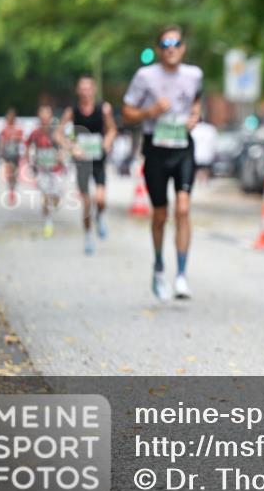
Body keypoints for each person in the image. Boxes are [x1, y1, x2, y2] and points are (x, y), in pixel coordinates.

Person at [122, 25, 202, 301]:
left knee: (183, 208)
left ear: (183, 47)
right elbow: (127, 111)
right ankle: (158, 266)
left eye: (176, 43)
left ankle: (181, 275)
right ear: (158, 49)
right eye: (165, 44)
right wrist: (149, 111)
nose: (171, 48)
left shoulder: (194, 75)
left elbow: (197, 104)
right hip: (155, 148)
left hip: (183, 147)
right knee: (160, 215)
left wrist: (195, 118)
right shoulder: (145, 76)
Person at [57, 75, 117, 255]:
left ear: (93, 90)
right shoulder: (72, 111)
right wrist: (70, 146)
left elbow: (112, 129)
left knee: (100, 199)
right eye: (81, 88)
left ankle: (100, 217)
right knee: (86, 202)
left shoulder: (103, 109)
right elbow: (58, 134)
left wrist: (107, 142)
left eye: (88, 88)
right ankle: (89, 235)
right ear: (78, 91)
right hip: (82, 161)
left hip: (98, 159)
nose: (85, 91)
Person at [26, 105, 64, 237]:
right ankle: (48, 222)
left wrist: (61, 155)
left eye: (47, 115)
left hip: (56, 169)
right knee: (45, 196)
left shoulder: (56, 132)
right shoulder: (35, 133)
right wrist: (30, 161)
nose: (44, 118)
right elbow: (27, 146)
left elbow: (64, 146)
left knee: (56, 198)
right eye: (42, 115)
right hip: (42, 170)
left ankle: (56, 201)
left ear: (51, 116)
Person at [0, 108, 24, 206]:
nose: (10, 118)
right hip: (7, 154)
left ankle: (12, 188)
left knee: (14, 174)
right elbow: (1, 142)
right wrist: (1, 152)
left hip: (15, 155)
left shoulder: (18, 129)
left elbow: (21, 141)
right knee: (9, 172)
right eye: (9, 116)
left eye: (12, 116)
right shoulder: (4, 129)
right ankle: (11, 191)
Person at [190, 119, 217, 185]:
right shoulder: (210, 128)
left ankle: (199, 181)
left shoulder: (194, 128)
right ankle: (204, 181)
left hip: (197, 153)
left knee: (197, 169)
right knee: (205, 169)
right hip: (206, 153)